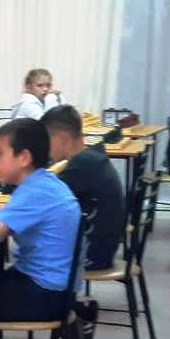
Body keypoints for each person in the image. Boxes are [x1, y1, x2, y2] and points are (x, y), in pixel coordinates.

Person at [0, 118, 82, 322]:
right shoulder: (45, 182)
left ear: (24, 158)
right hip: (56, 288)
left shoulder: (34, 193)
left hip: (44, 295)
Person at [44, 104, 124, 271]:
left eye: (46, 140)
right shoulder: (91, 157)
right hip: (103, 249)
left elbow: (44, 197)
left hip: (92, 255)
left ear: (61, 138)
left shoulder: (81, 167)